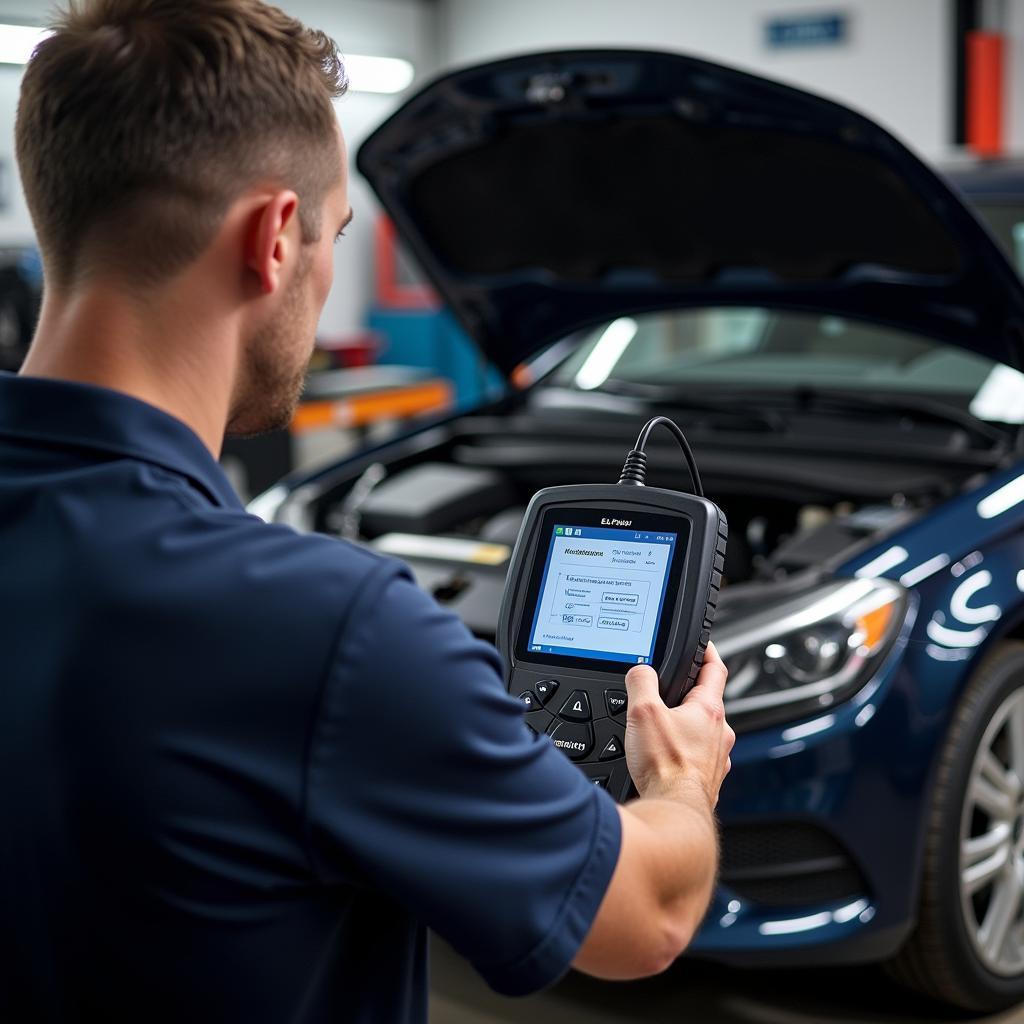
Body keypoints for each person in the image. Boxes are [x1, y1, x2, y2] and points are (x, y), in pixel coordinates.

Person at [0, 1, 734, 1021]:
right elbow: (648, 913)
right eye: (336, 232)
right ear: (273, 235)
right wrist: (684, 777)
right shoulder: (325, 633)